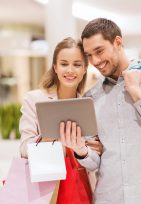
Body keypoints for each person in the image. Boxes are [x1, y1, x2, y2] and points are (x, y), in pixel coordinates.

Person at [60, 18, 141, 204]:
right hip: (108, 198)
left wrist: (138, 95)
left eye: (99, 51)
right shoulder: (91, 97)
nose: (95, 61)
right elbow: (95, 162)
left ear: (118, 42)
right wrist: (81, 150)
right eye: (89, 55)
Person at [19, 37, 103, 203]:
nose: (70, 70)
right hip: (44, 189)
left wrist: (81, 150)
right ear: (55, 67)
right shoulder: (34, 100)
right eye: (64, 64)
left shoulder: (90, 105)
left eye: (77, 64)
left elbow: (94, 163)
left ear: (85, 68)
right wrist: (47, 139)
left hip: (81, 190)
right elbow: (23, 149)